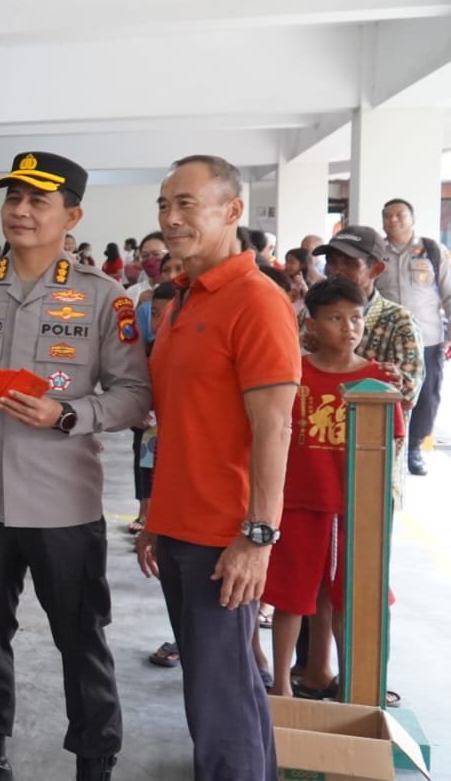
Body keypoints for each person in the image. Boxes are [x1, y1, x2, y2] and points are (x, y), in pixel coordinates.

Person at [0, 152, 150, 781]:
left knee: (82, 639)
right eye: (12, 198)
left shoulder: (105, 299)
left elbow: (134, 396)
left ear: (71, 215)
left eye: (37, 201)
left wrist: (66, 415)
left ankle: (95, 759)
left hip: (63, 505)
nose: (20, 210)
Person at [137, 155, 300, 781]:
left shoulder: (256, 300)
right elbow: (181, 424)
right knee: (226, 690)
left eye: (186, 204)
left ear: (232, 211)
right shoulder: (178, 300)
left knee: (217, 699)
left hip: (223, 537)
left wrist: (258, 536)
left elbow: (274, 428)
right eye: (163, 205)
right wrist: (155, 516)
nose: (171, 219)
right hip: (180, 527)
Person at [265, 278, 404, 699]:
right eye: (336, 318)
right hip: (300, 504)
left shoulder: (378, 379)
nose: (349, 327)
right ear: (312, 323)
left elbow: (392, 442)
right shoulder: (295, 372)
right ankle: (283, 685)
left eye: (356, 317)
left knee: (354, 598)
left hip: (356, 511)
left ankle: (359, 685)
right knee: (292, 597)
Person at [305, 227, 423, 489]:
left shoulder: (399, 321)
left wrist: (390, 380)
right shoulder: (309, 316)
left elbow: (410, 393)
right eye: (332, 262)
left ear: (376, 269)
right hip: (314, 462)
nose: (336, 270)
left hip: (371, 464)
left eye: (349, 263)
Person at [377, 199, 450, 476]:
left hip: (427, 337)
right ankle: (385, 444)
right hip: (386, 339)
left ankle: (415, 448)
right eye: (387, 216)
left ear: (412, 218)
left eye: (399, 214)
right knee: (386, 391)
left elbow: (448, 292)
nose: (393, 220)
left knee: (426, 393)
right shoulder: (376, 253)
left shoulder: (432, 250)